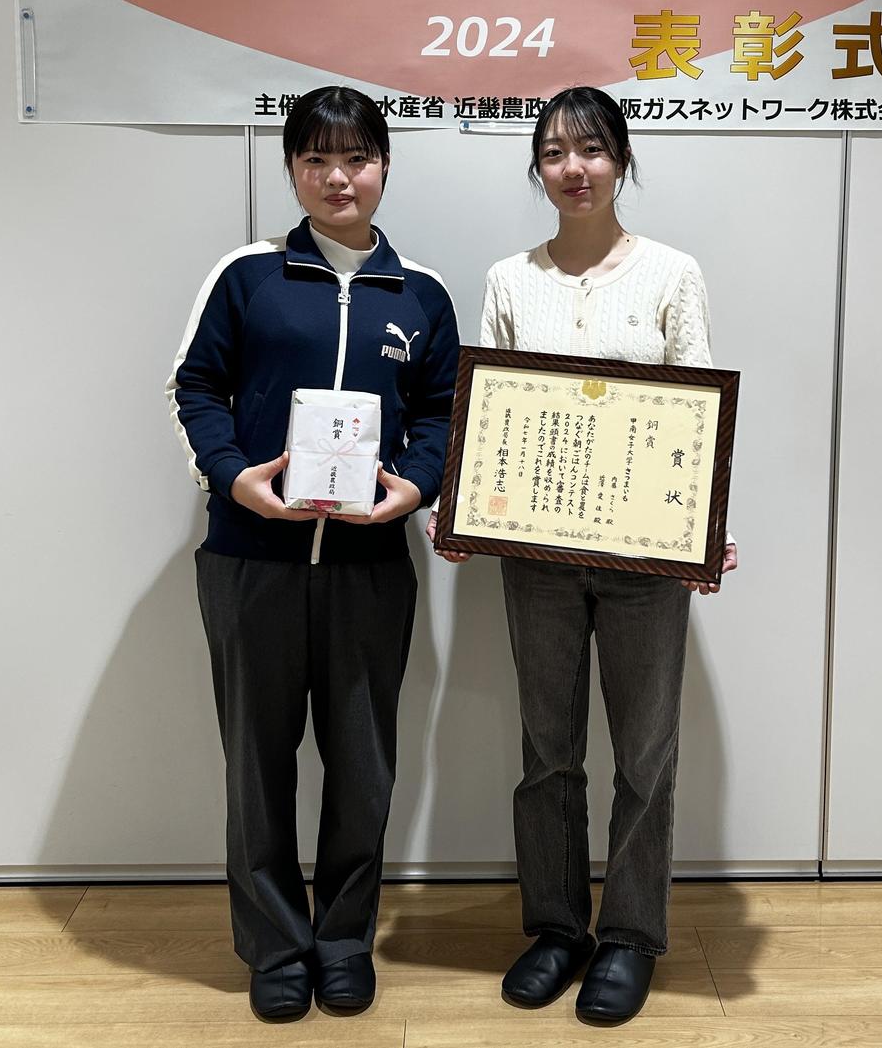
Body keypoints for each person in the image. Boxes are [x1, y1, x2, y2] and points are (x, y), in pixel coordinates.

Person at [428, 86, 737, 1026]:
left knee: (645, 752)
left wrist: (706, 524)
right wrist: (459, 509)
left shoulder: (672, 273)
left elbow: (696, 408)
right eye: (556, 152)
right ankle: (557, 926)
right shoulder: (509, 279)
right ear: (538, 168)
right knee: (547, 749)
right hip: (539, 555)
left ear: (622, 160)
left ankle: (630, 935)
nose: (575, 168)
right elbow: (488, 413)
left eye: (593, 149)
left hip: (647, 560)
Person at [167, 86, 459, 1022]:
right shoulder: (247, 275)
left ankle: (342, 942)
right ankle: (275, 947)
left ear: (384, 166)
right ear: (292, 169)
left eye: (357, 158)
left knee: (363, 765)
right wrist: (231, 477)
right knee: (256, 764)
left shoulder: (422, 294)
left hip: (370, 569)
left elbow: (444, 412)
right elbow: (194, 387)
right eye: (316, 160)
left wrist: (417, 486)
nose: (338, 177)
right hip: (251, 559)